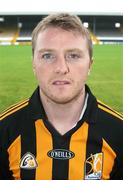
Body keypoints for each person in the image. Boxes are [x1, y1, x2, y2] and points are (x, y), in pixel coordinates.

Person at [0, 13, 123, 180]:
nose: (61, 68)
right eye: (48, 56)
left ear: (90, 65)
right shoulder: (5, 130)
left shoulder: (118, 132)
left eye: (73, 56)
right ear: (34, 65)